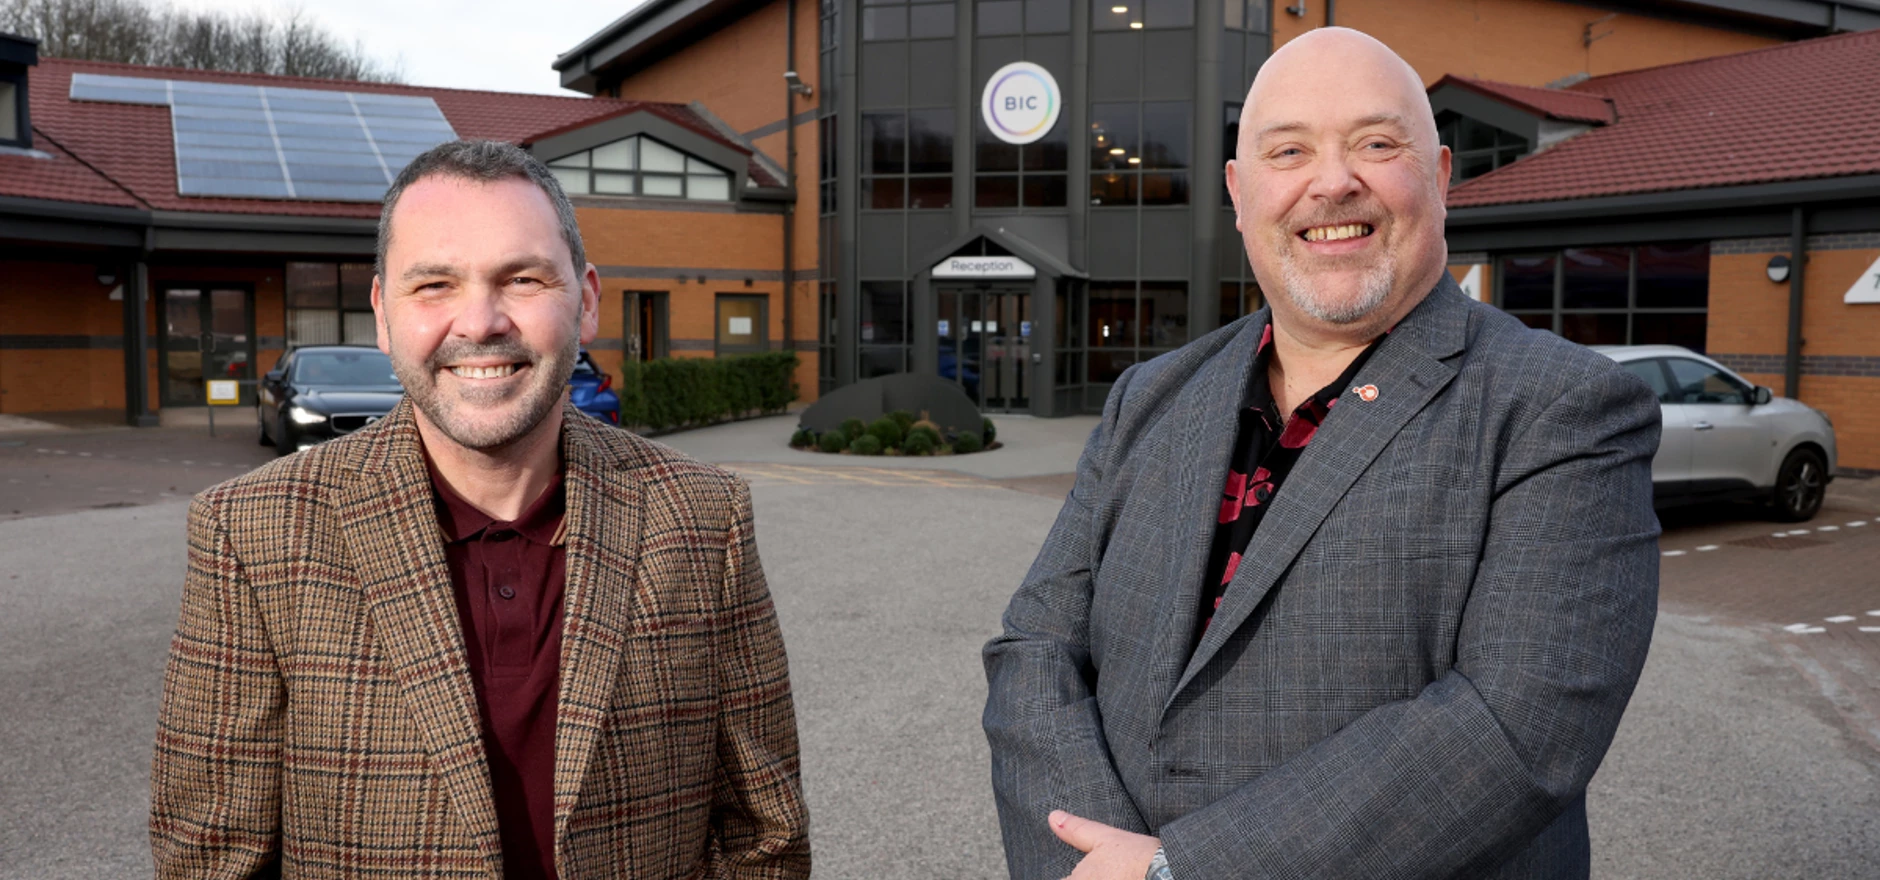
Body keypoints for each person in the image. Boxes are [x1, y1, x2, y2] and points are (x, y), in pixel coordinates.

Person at [983, 28, 1660, 880]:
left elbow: (1517, 728)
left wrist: (1182, 870)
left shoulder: (1563, 408)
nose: (1332, 181)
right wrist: (1081, 862)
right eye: (1289, 150)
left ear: (1442, 177)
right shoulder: (1148, 398)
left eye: (1377, 144)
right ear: (1239, 192)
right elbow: (1035, 647)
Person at [150, 140, 809, 879]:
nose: (481, 321)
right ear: (382, 313)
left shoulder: (702, 518)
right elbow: (209, 860)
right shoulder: (251, 533)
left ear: (586, 301)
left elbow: (766, 838)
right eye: (434, 284)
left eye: (522, 279)